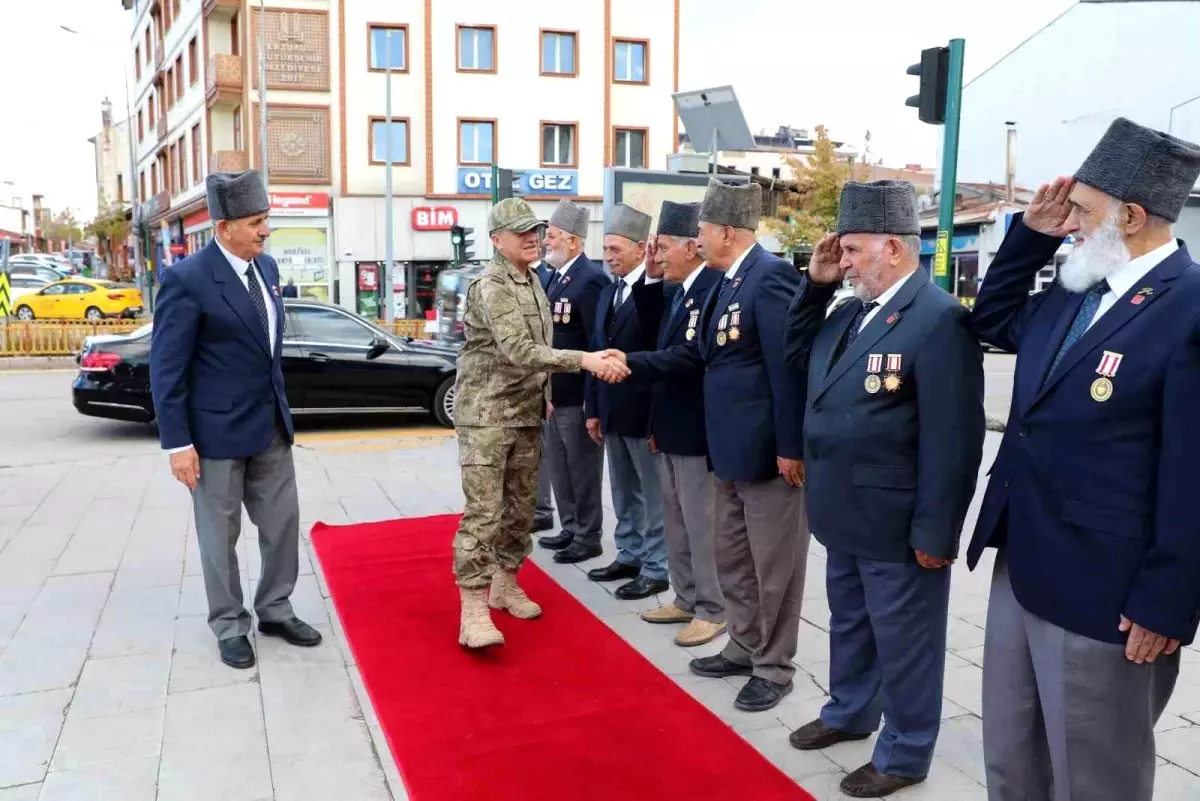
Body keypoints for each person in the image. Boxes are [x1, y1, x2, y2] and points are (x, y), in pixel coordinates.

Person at [967, 118, 1200, 801]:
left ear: (1130, 216)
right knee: (1012, 752)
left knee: (1096, 773)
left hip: (1109, 589)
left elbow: (1193, 472)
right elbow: (991, 321)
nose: (1069, 223)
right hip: (1024, 559)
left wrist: (1169, 599)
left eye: (1082, 211)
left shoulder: (1188, 308)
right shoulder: (1076, 288)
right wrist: (1029, 236)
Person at [783, 181, 985, 797]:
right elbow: (796, 357)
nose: (842, 260)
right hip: (844, 507)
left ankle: (906, 749)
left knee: (906, 641)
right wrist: (815, 286)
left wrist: (936, 530)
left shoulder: (939, 318)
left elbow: (955, 438)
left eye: (849, 250)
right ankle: (850, 711)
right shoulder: (846, 310)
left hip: (898, 521)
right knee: (851, 622)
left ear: (892, 248)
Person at [613, 178, 809, 712]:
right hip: (727, 450)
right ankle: (744, 645)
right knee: (734, 560)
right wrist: (630, 362)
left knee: (775, 570)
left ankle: (774, 667)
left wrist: (790, 446)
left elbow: (786, 369)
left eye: (701, 231)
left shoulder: (769, 279)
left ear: (726, 231)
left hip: (767, 456)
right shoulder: (728, 282)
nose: (696, 241)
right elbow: (698, 355)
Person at [150, 169, 320, 670]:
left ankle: (275, 609)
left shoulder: (265, 269)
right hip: (215, 436)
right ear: (223, 226)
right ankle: (229, 623)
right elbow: (167, 368)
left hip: (269, 428)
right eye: (255, 222)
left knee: (282, 525)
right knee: (219, 537)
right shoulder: (187, 279)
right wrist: (177, 443)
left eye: (266, 220)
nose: (265, 231)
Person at [451, 197, 628, 649]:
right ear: (497, 240)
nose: (533, 238)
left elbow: (535, 351)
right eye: (521, 232)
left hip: (526, 412)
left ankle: (505, 585)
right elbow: (520, 351)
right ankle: (472, 609)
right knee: (484, 513)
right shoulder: (491, 285)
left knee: (519, 509)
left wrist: (545, 397)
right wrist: (586, 360)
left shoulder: (531, 280)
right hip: (488, 418)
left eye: (535, 230)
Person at [636, 200, 727, 647]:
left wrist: (628, 363)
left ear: (692, 246)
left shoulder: (712, 286)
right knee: (675, 519)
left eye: (665, 247)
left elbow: (690, 356)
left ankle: (714, 607)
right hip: (670, 426)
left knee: (700, 522)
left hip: (696, 430)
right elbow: (651, 327)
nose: (658, 254)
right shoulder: (680, 287)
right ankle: (686, 596)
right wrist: (651, 275)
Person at [583, 204, 669, 600]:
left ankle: (657, 566)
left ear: (640, 248)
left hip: (646, 412)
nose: (609, 256)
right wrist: (594, 409)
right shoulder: (608, 292)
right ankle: (630, 554)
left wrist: (656, 421)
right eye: (605, 249)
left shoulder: (658, 291)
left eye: (615, 249)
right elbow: (595, 352)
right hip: (613, 410)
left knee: (654, 496)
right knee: (622, 491)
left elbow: (660, 354)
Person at [536, 200, 612, 563]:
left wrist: (591, 400)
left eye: (551, 236)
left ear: (573, 242)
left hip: (577, 394)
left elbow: (596, 341)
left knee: (582, 469)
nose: (545, 242)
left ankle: (588, 533)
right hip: (552, 392)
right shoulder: (553, 277)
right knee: (559, 466)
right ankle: (569, 526)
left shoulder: (591, 279)